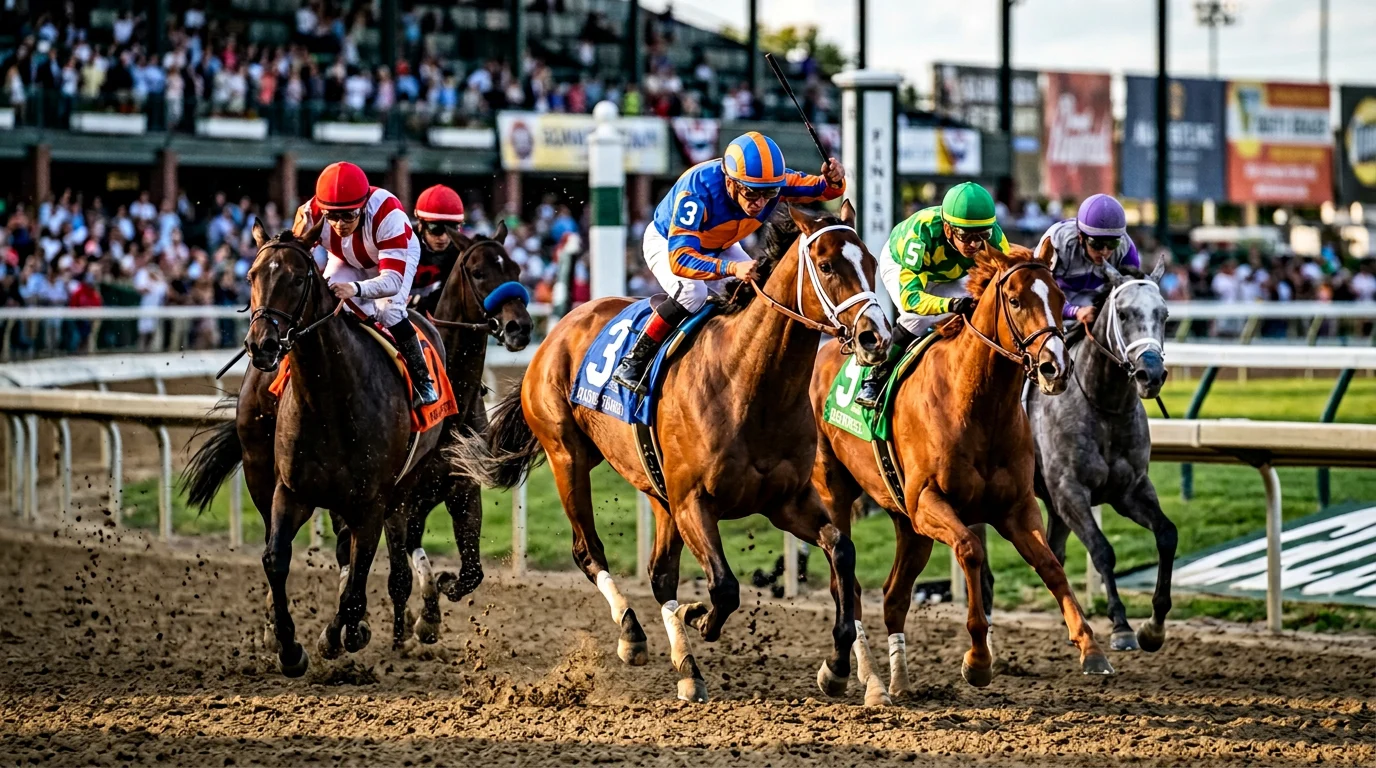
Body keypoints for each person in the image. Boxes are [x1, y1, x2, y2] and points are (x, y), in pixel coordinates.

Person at [610, 131, 846, 393]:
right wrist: (731, 268)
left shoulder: (770, 182)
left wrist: (834, 178)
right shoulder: (698, 190)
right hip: (669, 243)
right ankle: (634, 361)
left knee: (759, 292)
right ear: (730, 182)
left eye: (769, 193)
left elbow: (823, 190)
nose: (759, 202)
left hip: (718, 244)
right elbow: (680, 260)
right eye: (751, 193)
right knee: (692, 293)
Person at [854, 181, 1010, 409]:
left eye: (982, 235)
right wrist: (950, 304)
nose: (975, 244)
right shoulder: (921, 233)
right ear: (948, 229)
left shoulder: (994, 236)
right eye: (966, 236)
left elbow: (1010, 278)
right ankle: (876, 377)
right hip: (904, 266)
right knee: (918, 317)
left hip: (950, 272)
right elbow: (911, 299)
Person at [294, 161, 438, 407]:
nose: (340, 224)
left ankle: (422, 379)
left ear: (362, 206)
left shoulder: (387, 213)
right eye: (332, 216)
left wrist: (355, 289)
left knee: (387, 311)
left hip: (392, 258)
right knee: (323, 304)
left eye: (348, 215)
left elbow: (392, 281)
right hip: (344, 258)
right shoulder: (309, 214)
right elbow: (293, 259)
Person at [1036, 193, 1141, 327]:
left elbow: (1131, 297)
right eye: (1096, 244)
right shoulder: (1056, 241)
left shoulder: (1126, 249)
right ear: (1081, 237)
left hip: (1096, 311)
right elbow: (1036, 293)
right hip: (1053, 307)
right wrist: (1073, 311)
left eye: (1112, 244)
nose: (1104, 251)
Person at [409, 184, 465, 316]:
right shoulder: (401, 242)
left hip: (429, 309)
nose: (444, 238)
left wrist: (419, 301)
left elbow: (453, 295)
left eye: (451, 229)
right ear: (421, 225)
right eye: (436, 229)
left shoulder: (459, 252)